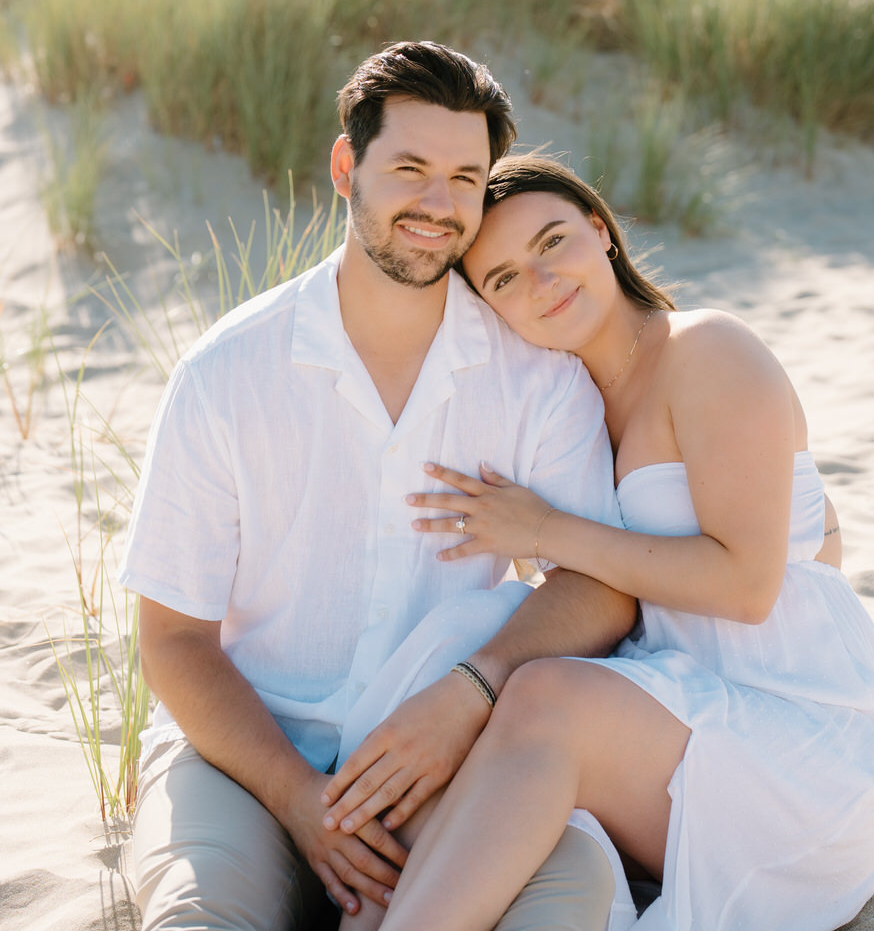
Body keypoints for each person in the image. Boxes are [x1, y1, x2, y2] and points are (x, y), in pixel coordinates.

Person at [119, 49, 637, 931]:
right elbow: (173, 638)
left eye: (465, 179)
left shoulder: (535, 377)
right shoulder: (227, 374)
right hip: (246, 758)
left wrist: (474, 689)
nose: (438, 204)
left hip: (443, 751)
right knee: (195, 921)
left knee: (573, 892)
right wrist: (296, 799)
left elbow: (600, 585)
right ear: (345, 167)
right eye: (410, 170)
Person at [373, 154, 874, 931]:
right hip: (681, 718)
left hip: (810, 740)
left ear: (600, 231)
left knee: (543, 696)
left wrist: (543, 529)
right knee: (476, 688)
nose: (541, 281)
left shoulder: (706, 351)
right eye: (503, 279)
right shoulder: (566, 407)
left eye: (553, 243)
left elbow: (749, 586)